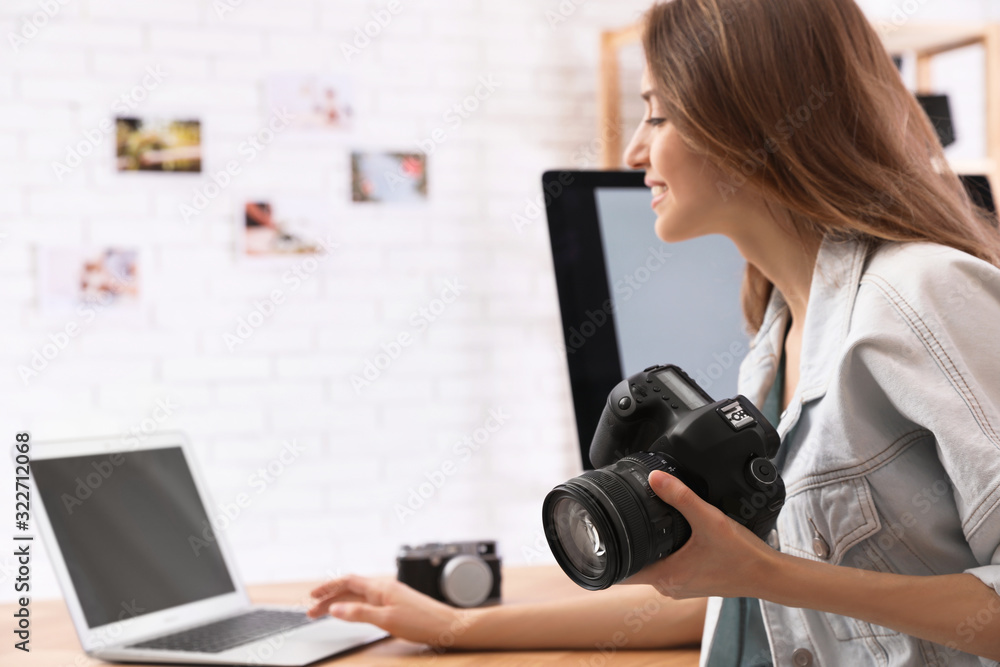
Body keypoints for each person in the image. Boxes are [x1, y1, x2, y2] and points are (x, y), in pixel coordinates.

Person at [306, 0, 1000, 663]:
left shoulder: (921, 296)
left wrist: (769, 574)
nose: (636, 148)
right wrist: (456, 625)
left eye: (659, 117)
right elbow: (731, 596)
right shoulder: (773, 340)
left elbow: (766, 581)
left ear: (746, 124)